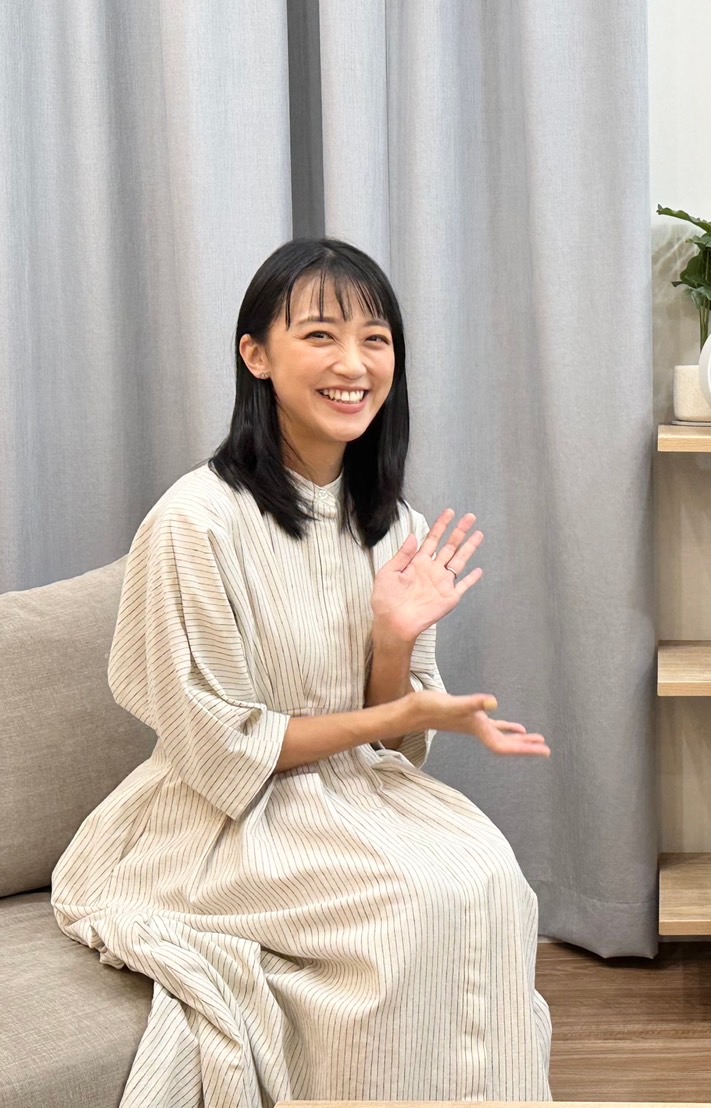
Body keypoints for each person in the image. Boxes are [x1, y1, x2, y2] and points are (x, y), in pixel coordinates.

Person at [52, 239, 553, 1107]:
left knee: (490, 880)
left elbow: (391, 743)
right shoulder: (196, 522)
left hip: (356, 795)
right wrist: (402, 713)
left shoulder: (393, 525)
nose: (353, 365)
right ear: (256, 356)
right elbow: (221, 752)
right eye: (320, 335)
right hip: (217, 820)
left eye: (375, 339)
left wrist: (393, 641)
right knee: (406, 905)